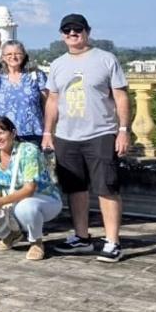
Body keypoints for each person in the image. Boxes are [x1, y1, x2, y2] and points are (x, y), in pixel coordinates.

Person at [44, 14, 129, 262]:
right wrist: (48, 132)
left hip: (100, 132)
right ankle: (82, 237)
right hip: (66, 135)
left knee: (107, 187)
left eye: (77, 29)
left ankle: (113, 241)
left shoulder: (105, 59)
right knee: (75, 188)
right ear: (62, 35)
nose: (72, 34)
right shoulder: (58, 64)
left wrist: (123, 130)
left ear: (87, 31)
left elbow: (121, 96)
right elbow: (52, 99)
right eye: (67, 30)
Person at [0, 117, 62, 261]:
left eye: (1, 133)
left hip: (44, 199)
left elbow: (30, 188)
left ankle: (36, 242)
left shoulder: (29, 151)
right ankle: (10, 235)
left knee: (25, 207)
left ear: (13, 133)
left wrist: (0, 202)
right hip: (10, 200)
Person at [0, 40, 48, 144]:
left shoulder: (36, 76)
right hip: (3, 135)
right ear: (3, 57)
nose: (13, 57)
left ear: (24, 55)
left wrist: (49, 131)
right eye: (9, 54)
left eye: (18, 53)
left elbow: (47, 104)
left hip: (33, 134)